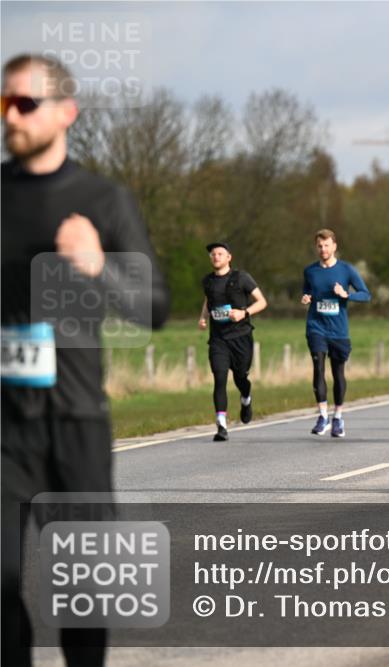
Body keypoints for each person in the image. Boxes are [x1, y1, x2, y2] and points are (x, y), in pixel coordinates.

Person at [2, 53, 170, 667]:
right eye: (4, 104)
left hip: (75, 420)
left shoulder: (101, 199)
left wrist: (99, 266)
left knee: (83, 589)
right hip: (3, 425)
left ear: (65, 112)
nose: (11, 117)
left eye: (25, 104)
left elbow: (153, 306)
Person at [301, 229, 370, 437]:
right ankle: (322, 415)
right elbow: (307, 291)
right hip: (316, 326)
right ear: (317, 248)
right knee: (318, 366)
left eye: (327, 245)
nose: (323, 249)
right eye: (320, 246)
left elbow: (366, 295)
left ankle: (338, 417)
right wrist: (306, 298)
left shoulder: (346, 270)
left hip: (339, 330)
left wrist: (345, 294)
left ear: (334, 246)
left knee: (338, 373)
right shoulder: (310, 271)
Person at [199, 242, 267, 441]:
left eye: (220, 253)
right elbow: (208, 300)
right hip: (218, 340)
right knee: (219, 378)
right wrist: (203, 317)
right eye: (213, 254)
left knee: (240, 378)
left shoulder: (241, 278)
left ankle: (246, 398)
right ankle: (221, 426)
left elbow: (262, 302)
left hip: (241, 337)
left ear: (229, 257)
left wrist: (244, 312)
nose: (216, 257)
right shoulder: (208, 281)